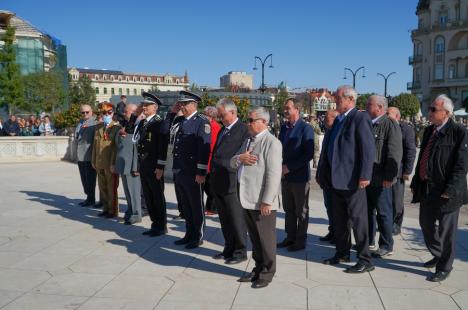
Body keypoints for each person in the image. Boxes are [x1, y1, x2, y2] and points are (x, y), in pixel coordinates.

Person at [316, 85, 375, 273]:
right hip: (335, 181)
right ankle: (342, 253)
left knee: (358, 221)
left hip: (352, 181)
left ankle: (365, 259)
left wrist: (365, 175)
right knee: (339, 220)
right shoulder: (339, 120)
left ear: (350, 99)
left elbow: (368, 149)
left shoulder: (360, 118)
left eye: (338, 97)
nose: (335, 99)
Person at [410, 94, 468, 282]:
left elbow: (462, 165)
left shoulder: (459, 131)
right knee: (425, 224)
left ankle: (444, 266)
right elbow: (423, 158)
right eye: (430, 108)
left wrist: (450, 189)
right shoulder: (429, 131)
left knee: (446, 232)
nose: (430, 112)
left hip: (447, 191)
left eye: (433, 109)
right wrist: (416, 182)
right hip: (428, 187)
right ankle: (438, 253)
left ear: (447, 113)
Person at [231, 106, 282, 289]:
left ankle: (267, 273)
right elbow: (233, 161)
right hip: (246, 198)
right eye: (248, 119)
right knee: (255, 238)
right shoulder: (247, 141)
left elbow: (274, 175)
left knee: (266, 240)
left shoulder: (272, 143)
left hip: (262, 201)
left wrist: (268, 200)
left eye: (252, 120)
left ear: (264, 122)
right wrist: (240, 159)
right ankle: (258, 267)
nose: (248, 123)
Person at [210, 98, 250, 264]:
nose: (220, 118)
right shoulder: (223, 129)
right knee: (224, 219)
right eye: (219, 115)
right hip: (218, 180)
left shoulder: (243, 130)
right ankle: (228, 248)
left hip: (232, 181)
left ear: (232, 112)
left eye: (222, 114)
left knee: (236, 218)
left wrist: (225, 164)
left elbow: (241, 156)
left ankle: (240, 251)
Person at [172, 90, 211, 249]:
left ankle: (198, 235)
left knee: (196, 205)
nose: (182, 106)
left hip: (193, 171)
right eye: (181, 103)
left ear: (194, 104)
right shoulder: (180, 120)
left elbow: (204, 149)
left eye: (184, 103)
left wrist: (201, 172)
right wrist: (172, 114)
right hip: (180, 169)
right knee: (186, 205)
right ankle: (188, 233)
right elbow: (166, 131)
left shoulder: (202, 122)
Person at [366, 95, 402, 258]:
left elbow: (394, 153)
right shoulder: (368, 123)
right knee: (367, 212)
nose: (366, 106)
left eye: (369, 104)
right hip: (367, 178)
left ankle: (386, 245)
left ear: (380, 107)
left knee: (383, 213)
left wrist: (389, 177)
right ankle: (369, 241)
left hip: (381, 179)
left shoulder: (390, 124)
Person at [277, 98, 314, 252]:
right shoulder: (284, 128)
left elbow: (308, 154)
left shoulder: (306, 128)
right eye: (285, 108)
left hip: (299, 177)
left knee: (301, 210)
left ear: (296, 109)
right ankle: (290, 236)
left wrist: (289, 167)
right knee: (289, 209)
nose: (285, 110)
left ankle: (300, 240)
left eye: (288, 108)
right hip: (284, 176)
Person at [134, 92, 169, 236]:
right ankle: (155, 224)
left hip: (154, 167)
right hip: (144, 166)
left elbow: (162, 147)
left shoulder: (159, 123)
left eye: (147, 105)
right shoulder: (142, 122)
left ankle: (161, 226)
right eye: (143, 105)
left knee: (157, 197)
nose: (144, 107)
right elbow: (135, 139)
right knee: (148, 196)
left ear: (155, 107)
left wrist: (160, 167)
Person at [387, 107, 416, 235]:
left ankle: (396, 224)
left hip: (398, 171)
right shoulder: (384, 126)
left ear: (397, 116)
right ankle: (386, 222)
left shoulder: (406, 129)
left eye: (388, 114)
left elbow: (411, 150)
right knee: (385, 200)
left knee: (396, 200)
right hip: (385, 170)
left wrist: (407, 171)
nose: (386, 116)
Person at [114, 103, 142, 225]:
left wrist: (136, 167)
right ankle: (130, 211)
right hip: (124, 164)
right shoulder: (125, 125)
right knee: (127, 192)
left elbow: (137, 149)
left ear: (135, 112)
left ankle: (136, 214)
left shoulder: (138, 126)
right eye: (124, 111)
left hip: (132, 165)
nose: (124, 113)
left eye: (127, 111)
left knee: (134, 192)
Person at [91, 103, 121, 218]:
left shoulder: (116, 128)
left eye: (109, 112)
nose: (106, 115)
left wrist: (114, 163)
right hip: (99, 162)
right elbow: (95, 146)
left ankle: (113, 210)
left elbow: (116, 148)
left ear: (113, 113)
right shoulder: (98, 127)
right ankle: (105, 208)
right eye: (104, 113)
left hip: (110, 163)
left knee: (111, 187)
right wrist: (93, 161)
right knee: (102, 187)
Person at [317, 109, 339, 243]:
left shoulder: (337, 133)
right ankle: (332, 230)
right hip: (326, 177)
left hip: (335, 178)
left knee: (337, 208)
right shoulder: (328, 132)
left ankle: (338, 234)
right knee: (329, 205)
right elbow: (323, 156)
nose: (324, 121)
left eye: (327, 118)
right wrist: (319, 172)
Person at [75, 104, 97, 207]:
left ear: (91, 112)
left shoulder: (95, 123)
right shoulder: (80, 123)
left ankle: (91, 199)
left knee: (90, 179)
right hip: (80, 156)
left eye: (87, 112)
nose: (85, 114)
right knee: (84, 178)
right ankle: (88, 197)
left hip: (89, 156)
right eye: (83, 112)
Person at [202, 106, 221, 215]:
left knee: (210, 187)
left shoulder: (213, 126)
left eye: (205, 114)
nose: (204, 116)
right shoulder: (209, 125)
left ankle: (212, 208)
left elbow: (211, 145)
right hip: (208, 160)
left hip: (210, 161)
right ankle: (211, 207)